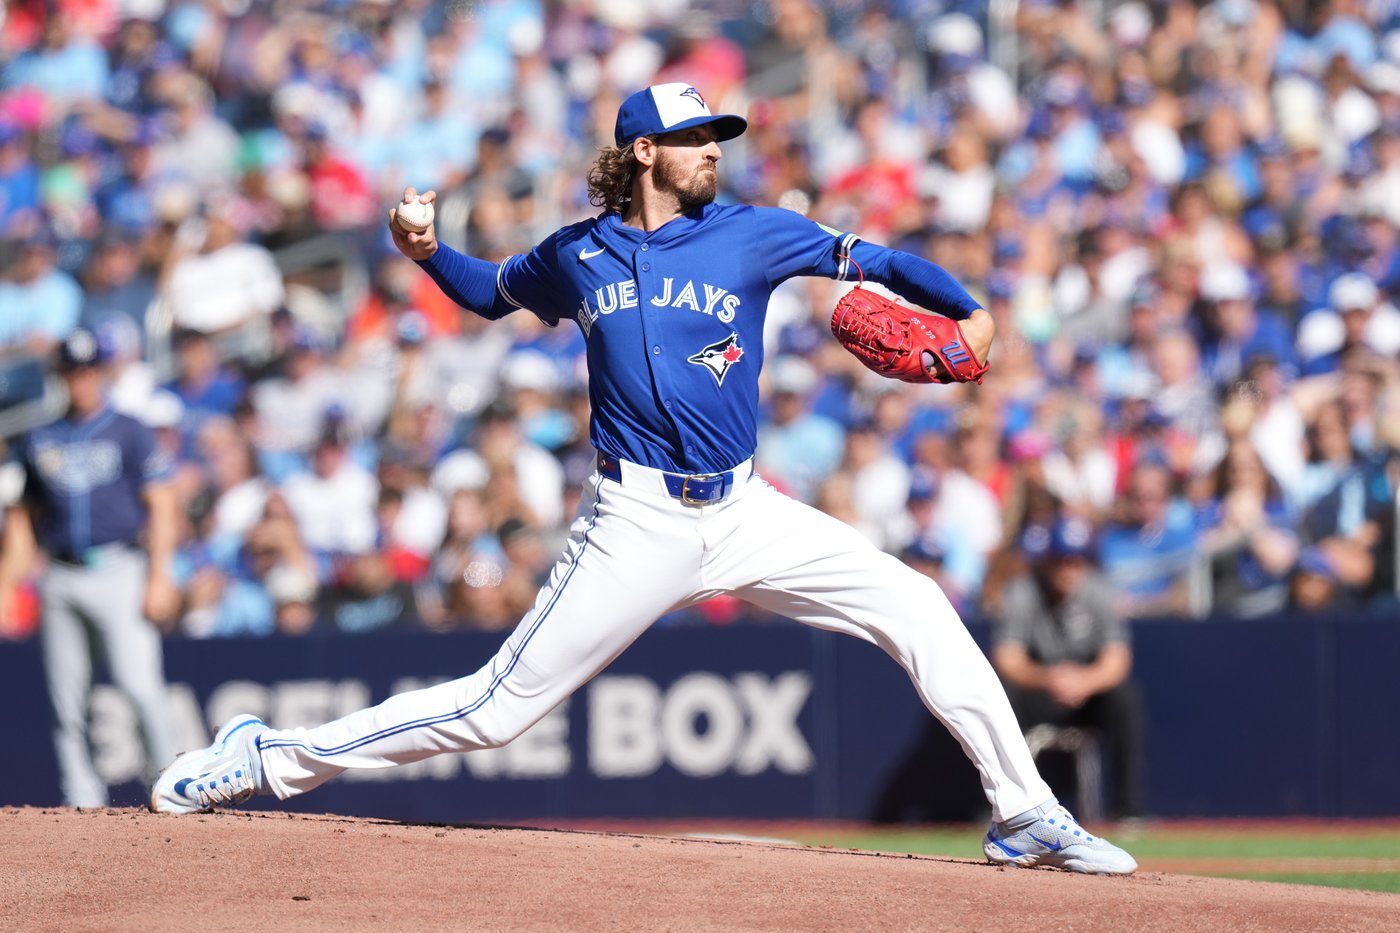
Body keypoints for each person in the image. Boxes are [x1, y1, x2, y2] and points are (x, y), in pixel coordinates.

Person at [150, 83, 1136, 875]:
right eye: (695, 136)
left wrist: (969, 313)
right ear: (641, 153)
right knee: (496, 713)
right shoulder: (577, 254)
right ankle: (269, 756)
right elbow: (489, 293)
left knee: (916, 606)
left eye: (715, 134)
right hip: (634, 520)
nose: (714, 148)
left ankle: (1023, 814)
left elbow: (872, 258)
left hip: (746, 508)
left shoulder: (749, 231)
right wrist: (425, 253)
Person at [0, 327, 180, 806]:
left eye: (86, 369)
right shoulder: (40, 436)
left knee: (139, 687)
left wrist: (160, 575)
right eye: (71, 370)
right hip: (59, 574)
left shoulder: (129, 429)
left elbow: (162, 503)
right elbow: (21, 518)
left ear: (99, 372)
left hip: (121, 568)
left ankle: (172, 789)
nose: (79, 379)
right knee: (67, 701)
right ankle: (81, 803)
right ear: (61, 376)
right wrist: (5, 583)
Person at [991, 518, 1145, 821]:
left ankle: (1129, 811)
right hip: (1038, 692)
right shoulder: (1023, 591)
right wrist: (1048, 678)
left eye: (1076, 560)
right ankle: (1000, 807)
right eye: (1061, 560)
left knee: (1127, 699)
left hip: (1085, 697)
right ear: (1047, 560)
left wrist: (1084, 682)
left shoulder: (1098, 591)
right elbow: (1007, 657)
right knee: (1001, 698)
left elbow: (1117, 659)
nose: (1068, 568)